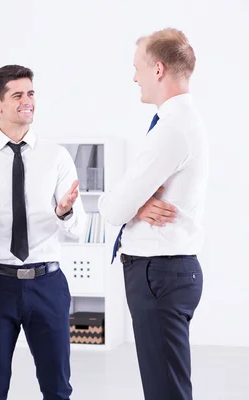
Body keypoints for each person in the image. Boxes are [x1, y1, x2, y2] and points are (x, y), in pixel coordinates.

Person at [0, 65, 85, 400]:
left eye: (31, 93)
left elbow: (79, 230)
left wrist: (64, 211)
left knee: (58, 386)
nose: (28, 101)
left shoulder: (56, 156)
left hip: (47, 283)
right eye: (18, 95)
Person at [98, 28, 207, 400]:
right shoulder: (182, 121)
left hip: (158, 274)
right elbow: (129, 202)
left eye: (137, 68)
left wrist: (125, 203)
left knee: (165, 392)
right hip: (171, 272)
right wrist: (137, 204)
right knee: (169, 386)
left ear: (158, 69)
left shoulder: (171, 130)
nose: (134, 77)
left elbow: (113, 209)